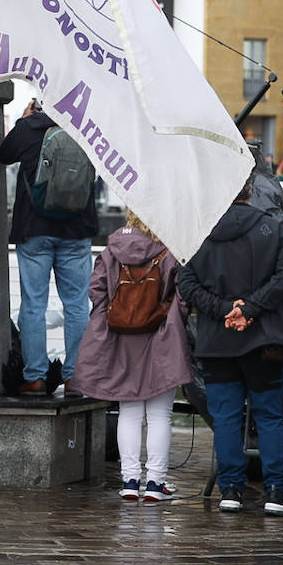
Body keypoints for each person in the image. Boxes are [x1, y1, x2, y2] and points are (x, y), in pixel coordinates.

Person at [177, 173, 283, 515]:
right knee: (270, 416)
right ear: (251, 192)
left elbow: (185, 280)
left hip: (217, 340)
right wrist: (250, 308)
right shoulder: (272, 228)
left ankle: (230, 489)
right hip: (264, 339)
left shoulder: (200, 232)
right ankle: (279, 489)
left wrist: (222, 310)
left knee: (227, 418)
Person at [70, 212, 190, 503]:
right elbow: (184, 295)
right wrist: (173, 318)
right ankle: (155, 483)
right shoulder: (172, 248)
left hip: (120, 340)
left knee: (129, 412)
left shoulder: (113, 249)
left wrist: (113, 313)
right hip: (162, 337)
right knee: (160, 414)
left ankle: (130, 480)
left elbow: (96, 289)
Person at [0, 98, 97, 396]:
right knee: (78, 305)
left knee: (33, 305)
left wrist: (23, 120)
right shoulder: (86, 129)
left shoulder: (29, 128)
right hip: (77, 230)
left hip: (35, 230)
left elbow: (3, 154)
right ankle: (75, 377)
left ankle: (36, 378)